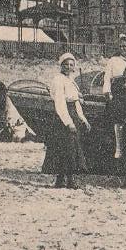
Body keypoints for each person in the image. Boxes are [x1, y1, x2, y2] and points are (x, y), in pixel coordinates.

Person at [42, 53, 91, 189]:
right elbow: (60, 103)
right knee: (63, 147)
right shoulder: (58, 80)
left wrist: (83, 119)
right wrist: (68, 122)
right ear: (61, 66)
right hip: (62, 117)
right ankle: (61, 179)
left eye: (71, 65)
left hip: (73, 114)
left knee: (72, 148)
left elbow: (76, 102)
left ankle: (69, 179)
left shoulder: (71, 80)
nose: (69, 67)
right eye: (66, 64)